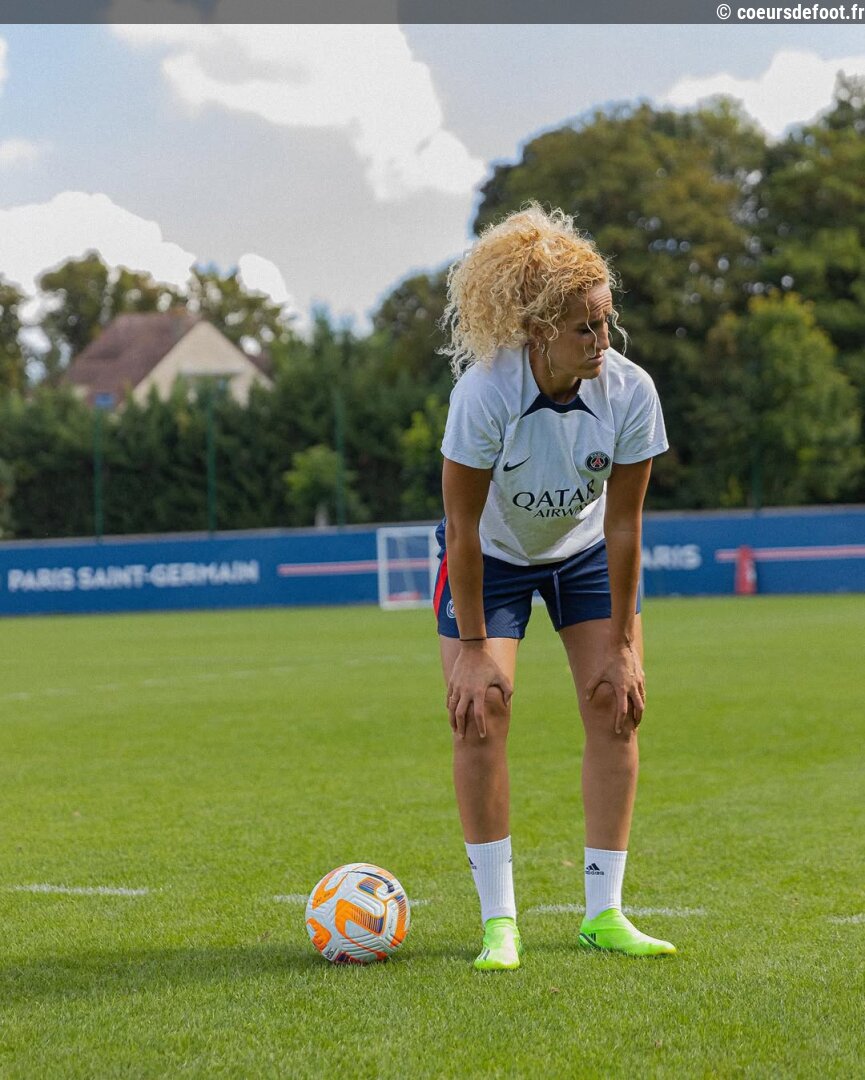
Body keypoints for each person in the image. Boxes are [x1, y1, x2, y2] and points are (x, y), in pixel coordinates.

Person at [434, 203, 676, 971]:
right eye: (584, 328)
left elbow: (625, 527)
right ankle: (498, 923)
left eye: (606, 322)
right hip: (491, 555)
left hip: (584, 553)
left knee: (615, 707)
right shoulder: (484, 394)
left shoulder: (630, 392)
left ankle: (603, 914)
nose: (602, 340)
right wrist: (475, 649)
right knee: (480, 712)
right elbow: (461, 528)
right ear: (538, 331)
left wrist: (624, 645)